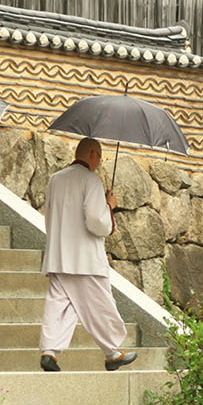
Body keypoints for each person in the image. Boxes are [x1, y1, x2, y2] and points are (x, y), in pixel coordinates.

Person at [38, 137, 138, 373]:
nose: (99, 162)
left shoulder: (55, 179)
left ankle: (49, 351)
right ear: (93, 154)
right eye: (99, 157)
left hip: (58, 254)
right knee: (100, 303)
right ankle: (112, 352)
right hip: (85, 258)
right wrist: (109, 206)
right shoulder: (91, 180)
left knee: (60, 304)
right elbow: (96, 220)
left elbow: (49, 215)